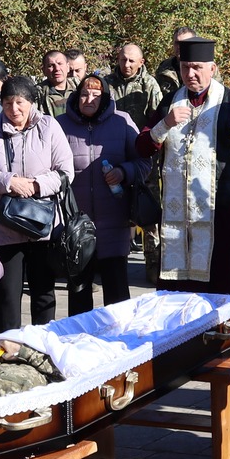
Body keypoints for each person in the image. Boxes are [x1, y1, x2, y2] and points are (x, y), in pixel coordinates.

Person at [138, 37, 230, 296]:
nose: (190, 74)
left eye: (197, 67)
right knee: (177, 291)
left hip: (217, 208)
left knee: (220, 286)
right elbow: (142, 146)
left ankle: (221, 335)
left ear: (212, 68)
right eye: (185, 67)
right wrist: (165, 124)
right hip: (177, 214)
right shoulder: (170, 101)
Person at [0, 75, 71, 331]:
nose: (13, 109)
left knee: (44, 294)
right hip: (3, 226)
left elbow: (65, 172)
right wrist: (10, 181)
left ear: (31, 102)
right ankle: (6, 352)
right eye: (7, 103)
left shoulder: (49, 126)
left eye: (19, 103)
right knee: (6, 298)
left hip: (42, 224)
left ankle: (43, 347)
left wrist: (36, 185)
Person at [56, 73, 142, 315]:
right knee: (79, 295)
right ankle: (79, 343)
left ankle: (121, 344)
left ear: (105, 98)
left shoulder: (122, 122)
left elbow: (143, 162)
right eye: (84, 94)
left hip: (114, 221)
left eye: (96, 94)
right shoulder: (60, 125)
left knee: (117, 297)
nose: (89, 99)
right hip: (75, 225)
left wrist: (123, 172)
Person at [105, 43, 162, 132]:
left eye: (131, 61)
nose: (126, 65)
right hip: (111, 137)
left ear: (141, 62)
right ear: (118, 60)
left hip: (139, 138)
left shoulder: (149, 84)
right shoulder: (107, 82)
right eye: (123, 60)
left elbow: (157, 116)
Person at [154, 26, 197, 101]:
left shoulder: (205, 67)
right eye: (177, 43)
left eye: (184, 43)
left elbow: (217, 95)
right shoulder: (164, 68)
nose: (179, 47)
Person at [38, 50, 75, 118]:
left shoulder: (79, 88)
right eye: (51, 66)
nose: (57, 69)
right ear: (44, 70)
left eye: (60, 63)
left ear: (68, 67)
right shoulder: (38, 94)